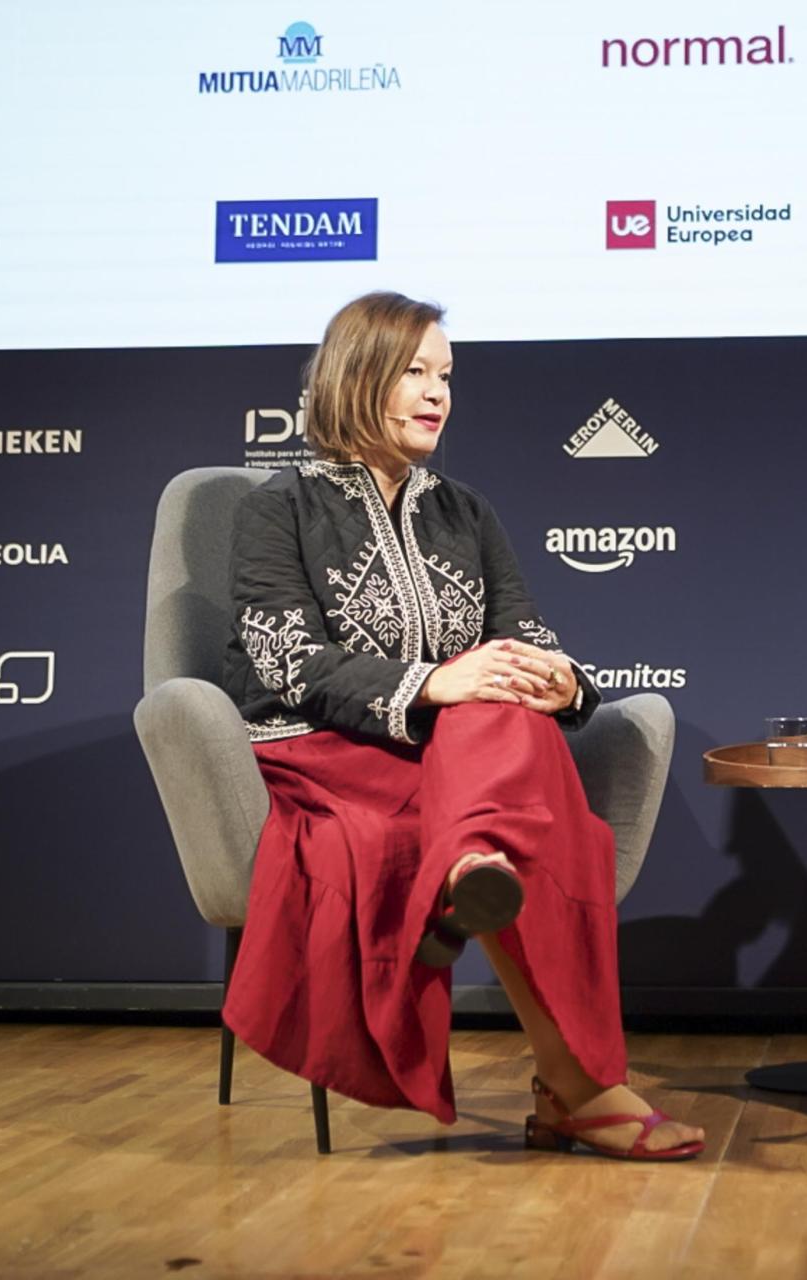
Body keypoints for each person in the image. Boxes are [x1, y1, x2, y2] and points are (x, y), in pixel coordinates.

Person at [220, 290, 704, 1161]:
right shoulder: (279, 507)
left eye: (446, 375)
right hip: (330, 751)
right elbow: (284, 658)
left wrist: (560, 682)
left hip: (457, 755)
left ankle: (470, 865)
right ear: (357, 376)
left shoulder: (466, 512)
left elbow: (524, 635)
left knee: (507, 707)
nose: (437, 392)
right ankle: (581, 1090)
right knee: (508, 752)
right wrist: (437, 680)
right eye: (414, 372)